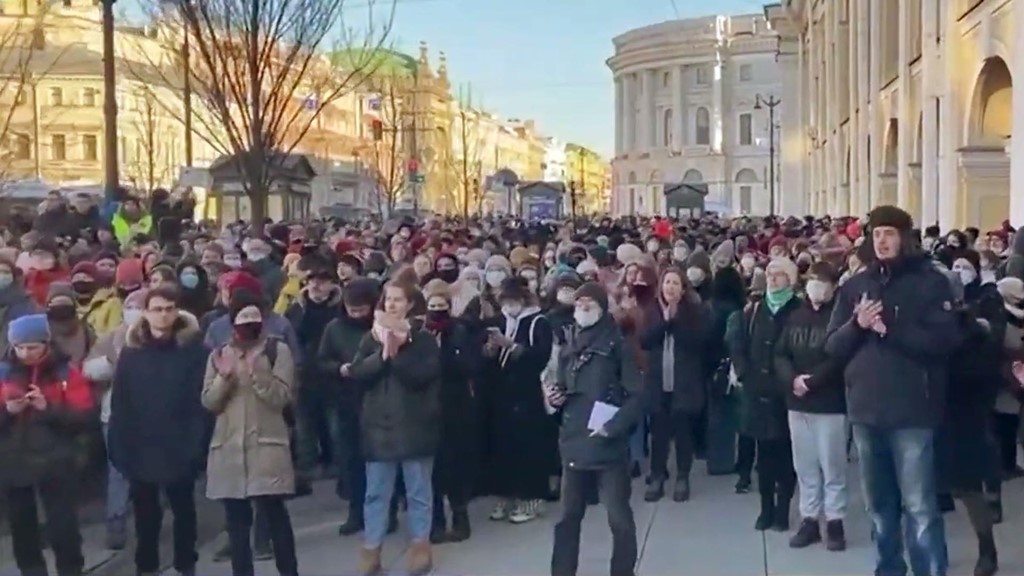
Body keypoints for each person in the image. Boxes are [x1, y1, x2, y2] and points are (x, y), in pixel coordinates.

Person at [826, 205, 961, 576]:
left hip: (912, 411)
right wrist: (859, 324)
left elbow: (945, 340)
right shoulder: (856, 285)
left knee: (918, 506)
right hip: (866, 411)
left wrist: (891, 329)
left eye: (889, 232)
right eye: (876, 233)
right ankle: (888, 568)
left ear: (904, 237)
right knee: (879, 506)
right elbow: (833, 347)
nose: (882, 240)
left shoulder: (930, 283)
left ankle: (929, 570)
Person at [107, 286, 209, 576]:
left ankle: (185, 564)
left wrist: (196, 444)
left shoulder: (194, 351)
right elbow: (121, 404)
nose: (163, 315)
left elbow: (200, 401)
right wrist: (120, 447)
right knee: (145, 516)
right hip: (142, 445)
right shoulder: (132, 353)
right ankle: (146, 566)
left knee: (184, 511)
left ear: (177, 311)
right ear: (146, 313)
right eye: (156, 309)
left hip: (181, 443)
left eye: (168, 308)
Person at [547, 281, 643, 576]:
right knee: (567, 518)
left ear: (602, 307)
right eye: (579, 302)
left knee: (619, 519)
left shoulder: (618, 345)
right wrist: (556, 397)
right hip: (574, 443)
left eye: (589, 301)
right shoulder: (569, 347)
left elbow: (637, 396)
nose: (583, 306)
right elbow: (562, 387)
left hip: (608, 447)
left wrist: (613, 427)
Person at [202, 290, 299, 576]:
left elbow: (282, 397)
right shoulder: (219, 354)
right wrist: (225, 377)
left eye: (255, 318)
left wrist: (260, 374)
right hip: (229, 448)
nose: (250, 323)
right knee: (237, 522)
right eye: (243, 318)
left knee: (275, 515)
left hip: (267, 446)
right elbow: (208, 401)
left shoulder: (277, 350)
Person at [349, 281, 440, 576]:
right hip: (378, 429)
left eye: (398, 300)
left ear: (410, 304)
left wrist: (398, 354)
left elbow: (423, 376)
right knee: (376, 493)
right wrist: (383, 355)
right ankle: (371, 551)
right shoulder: (370, 339)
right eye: (387, 300)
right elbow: (358, 372)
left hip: (415, 427)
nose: (391, 305)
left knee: (418, 492)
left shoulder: (423, 340)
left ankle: (419, 547)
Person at [0, 314, 96, 576]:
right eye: (20, 347)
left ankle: (71, 569)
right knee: (22, 527)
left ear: (45, 343)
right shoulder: (3, 373)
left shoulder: (66, 372)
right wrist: (7, 411)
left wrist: (47, 408)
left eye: (32, 347)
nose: (25, 353)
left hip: (57, 460)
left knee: (63, 526)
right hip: (13, 461)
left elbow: (85, 418)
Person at [773, 261, 848, 550]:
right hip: (797, 401)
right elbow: (780, 353)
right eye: (812, 280)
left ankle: (835, 519)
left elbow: (839, 358)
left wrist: (812, 381)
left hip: (828, 403)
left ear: (833, 287)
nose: (816, 286)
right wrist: (792, 379)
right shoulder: (795, 316)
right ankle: (809, 518)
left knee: (832, 465)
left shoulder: (838, 318)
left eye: (822, 281)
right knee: (804, 464)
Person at [729, 257, 801, 531]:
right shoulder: (753, 310)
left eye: (780, 274)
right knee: (764, 457)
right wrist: (745, 373)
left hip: (786, 395)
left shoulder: (798, 309)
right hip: (757, 395)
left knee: (786, 458)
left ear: (790, 280)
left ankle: (783, 508)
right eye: (770, 273)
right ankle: (765, 508)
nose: (772, 279)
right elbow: (738, 345)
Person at [639, 267, 709, 502]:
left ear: (683, 288)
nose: (670, 287)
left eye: (675, 283)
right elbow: (645, 341)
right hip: (658, 383)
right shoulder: (651, 311)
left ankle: (682, 476)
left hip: (683, 383)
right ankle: (657, 475)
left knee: (683, 433)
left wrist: (676, 322)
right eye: (667, 282)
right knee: (658, 433)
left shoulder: (694, 312)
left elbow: (698, 343)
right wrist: (665, 323)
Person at [422, 279, 480, 544]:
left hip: (454, 405)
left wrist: (443, 354)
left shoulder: (459, 331)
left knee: (455, 466)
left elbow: (467, 365)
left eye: (441, 305)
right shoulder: (420, 332)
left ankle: (460, 518)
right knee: (431, 470)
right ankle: (435, 522)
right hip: (426, 408)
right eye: (432, 306)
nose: (437, 310)